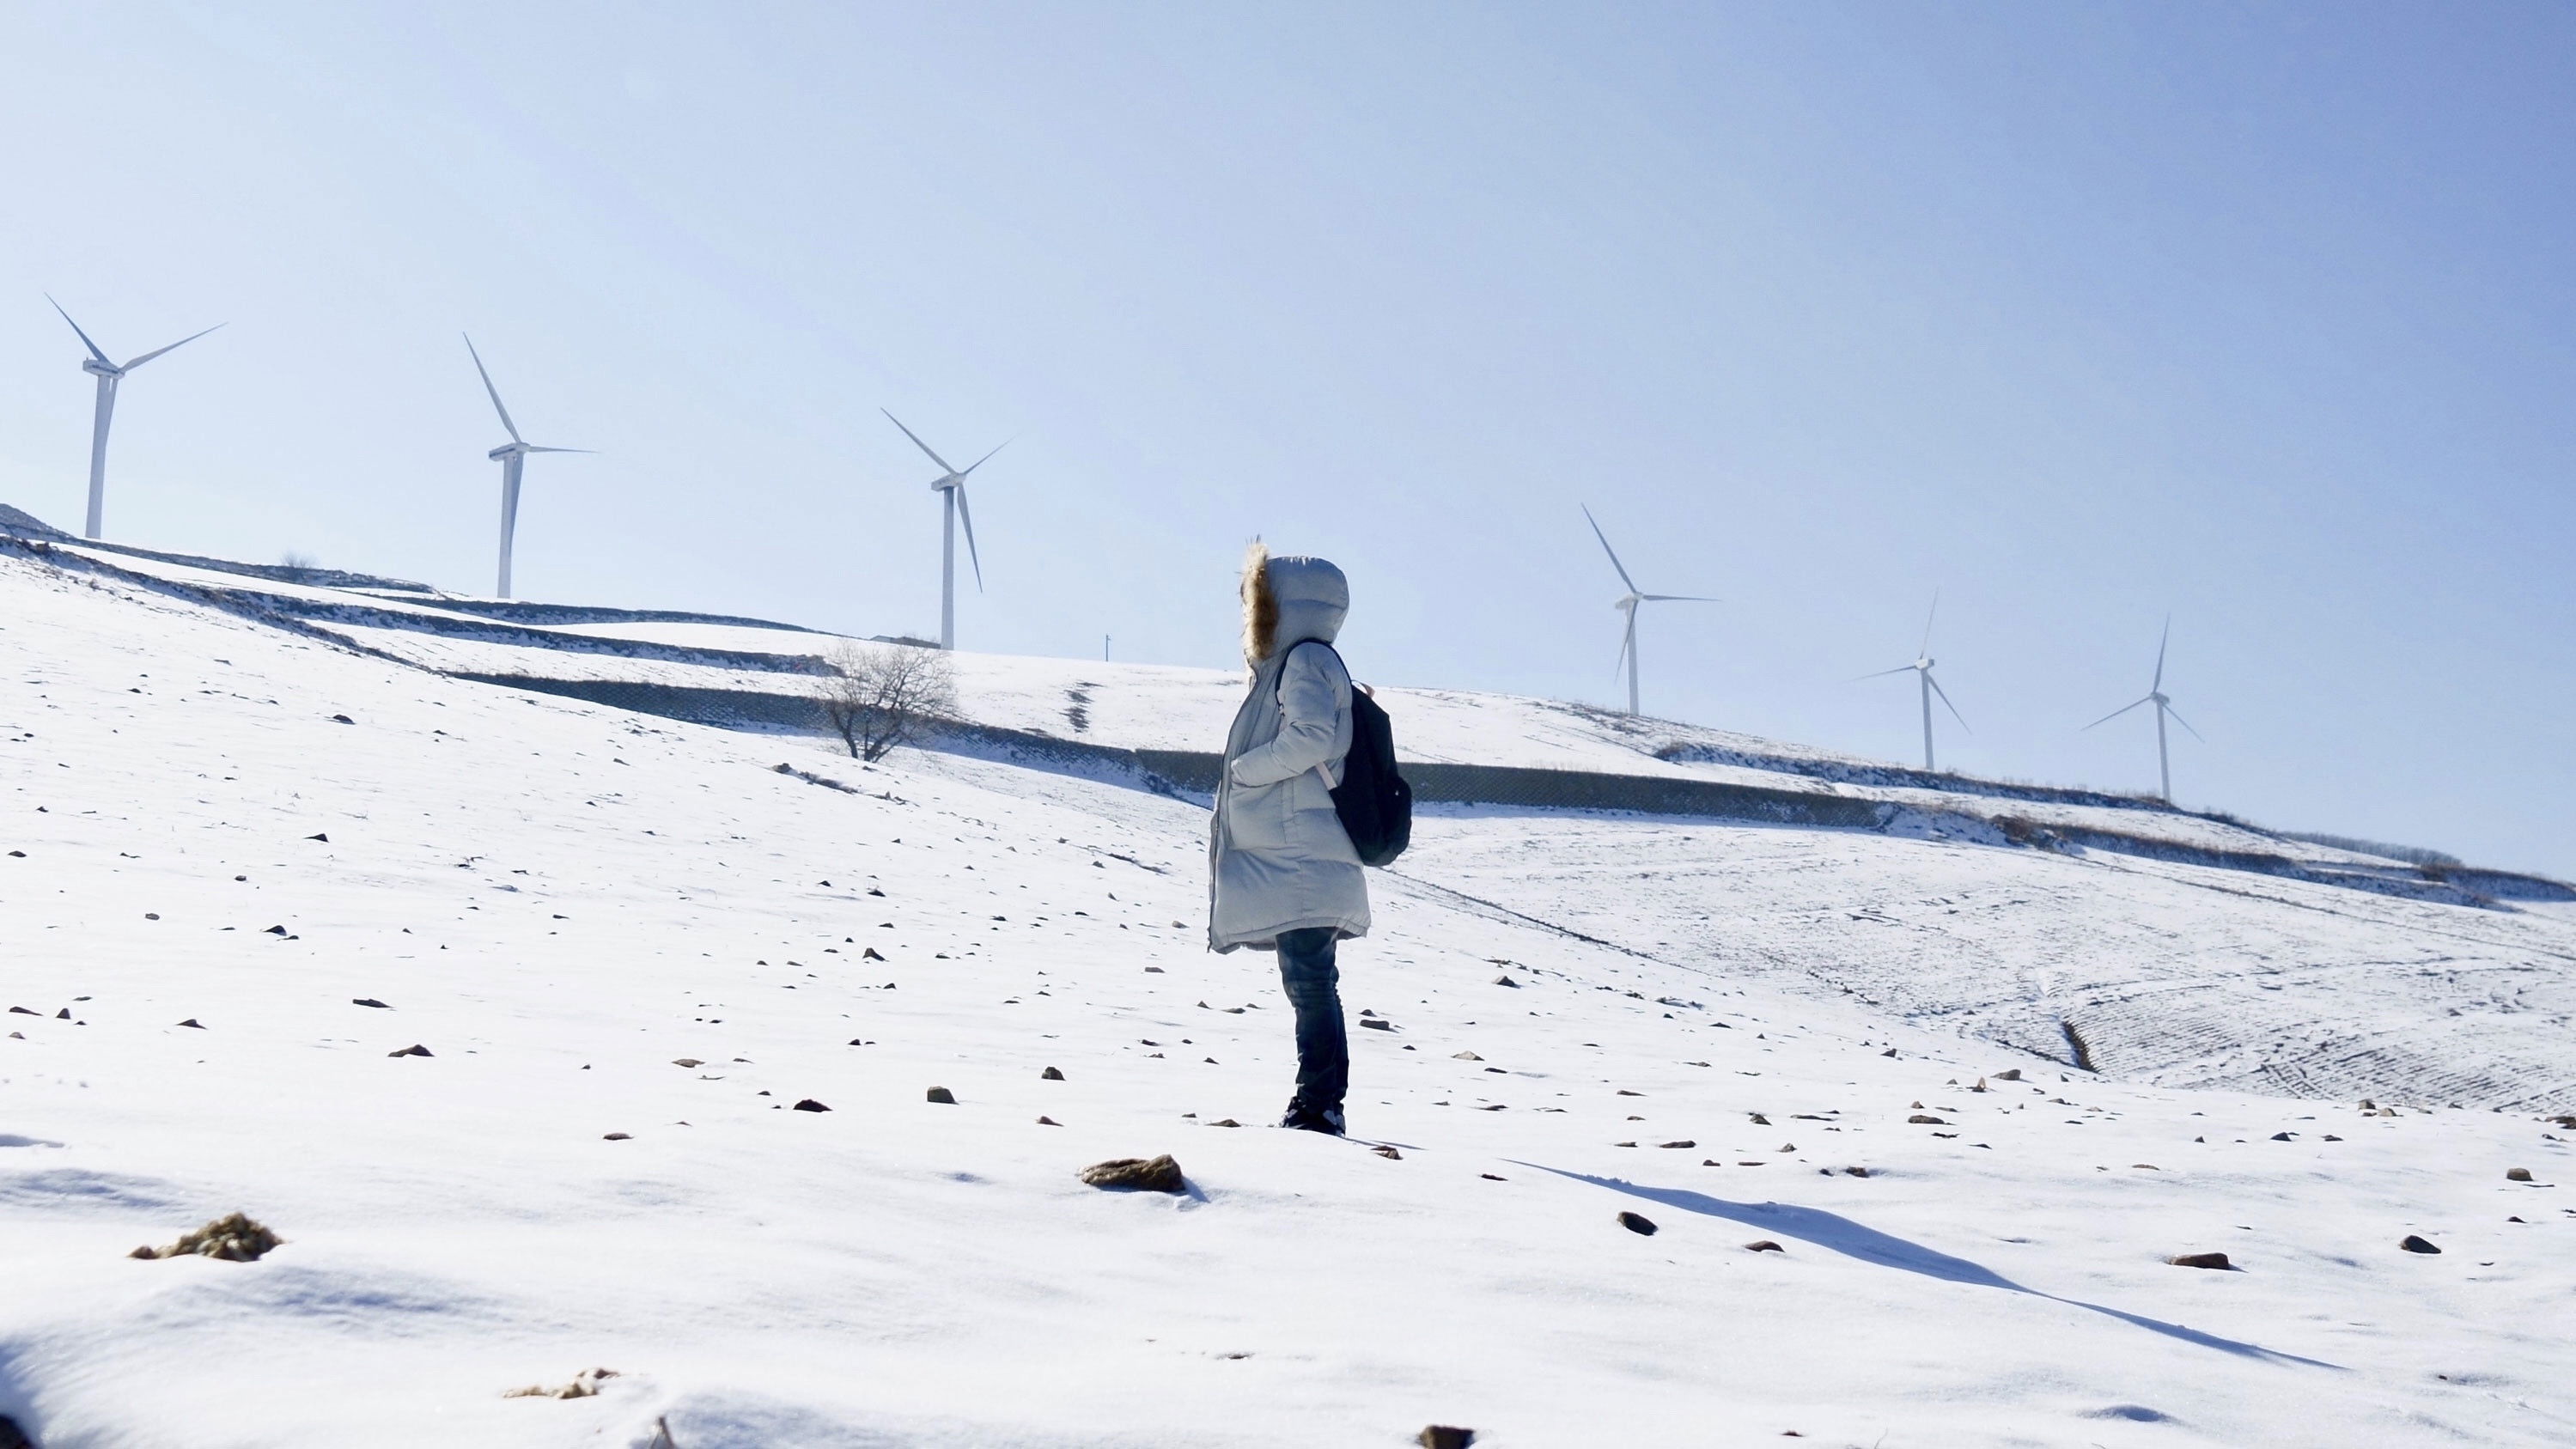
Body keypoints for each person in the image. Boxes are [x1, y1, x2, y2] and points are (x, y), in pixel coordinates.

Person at [1207, 542, 1369, 1135]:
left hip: (1302, 856)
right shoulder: (1310, 660)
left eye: (1259, 599)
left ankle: (1319, 1103)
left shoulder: (1303, 662)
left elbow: (1309, 737)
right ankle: (1318, 1100)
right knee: (1309, 979)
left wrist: (1244, 769)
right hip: (1302, 851)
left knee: (1309, 980)